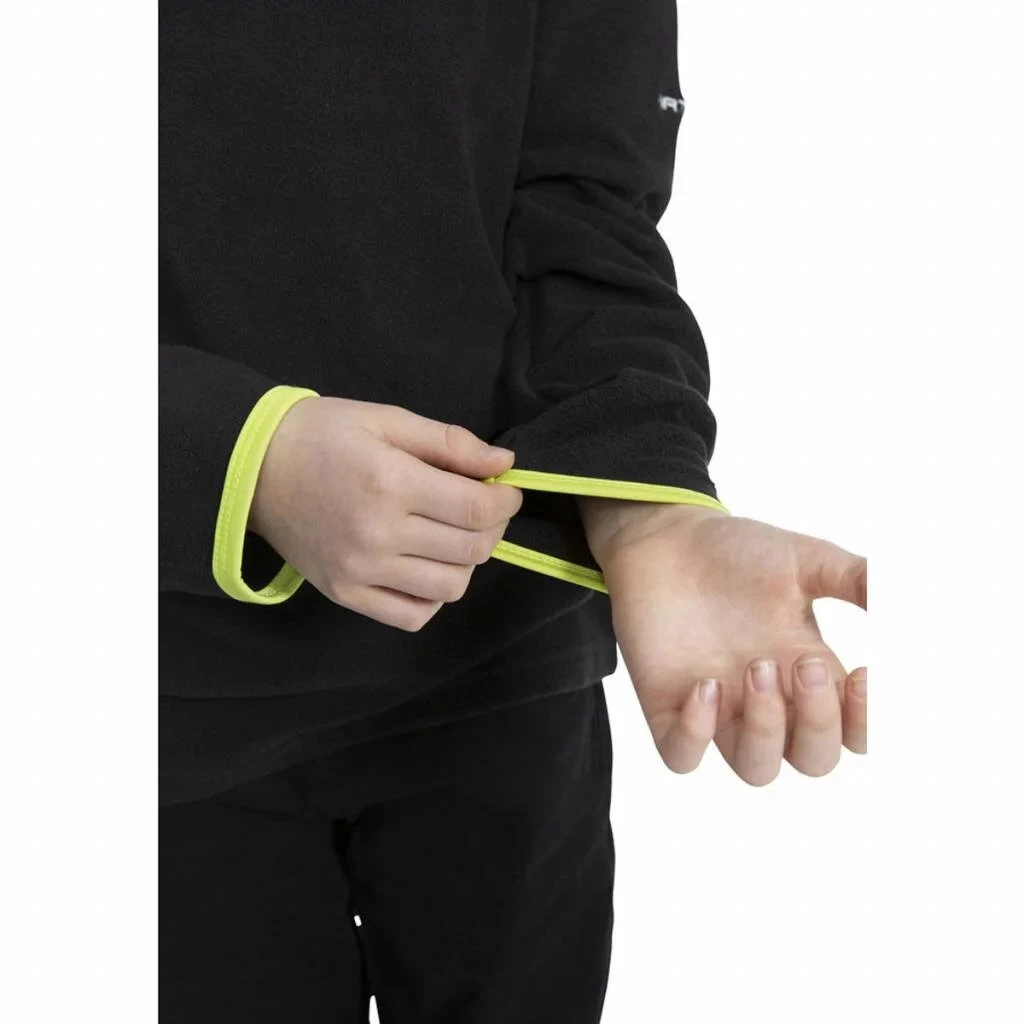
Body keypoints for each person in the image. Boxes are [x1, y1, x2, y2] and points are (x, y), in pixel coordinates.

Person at [159, 1, 868, 1021]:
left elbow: (583, 207)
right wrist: (239, 454)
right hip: (162, 709)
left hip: (503, 676)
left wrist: (649, 506)